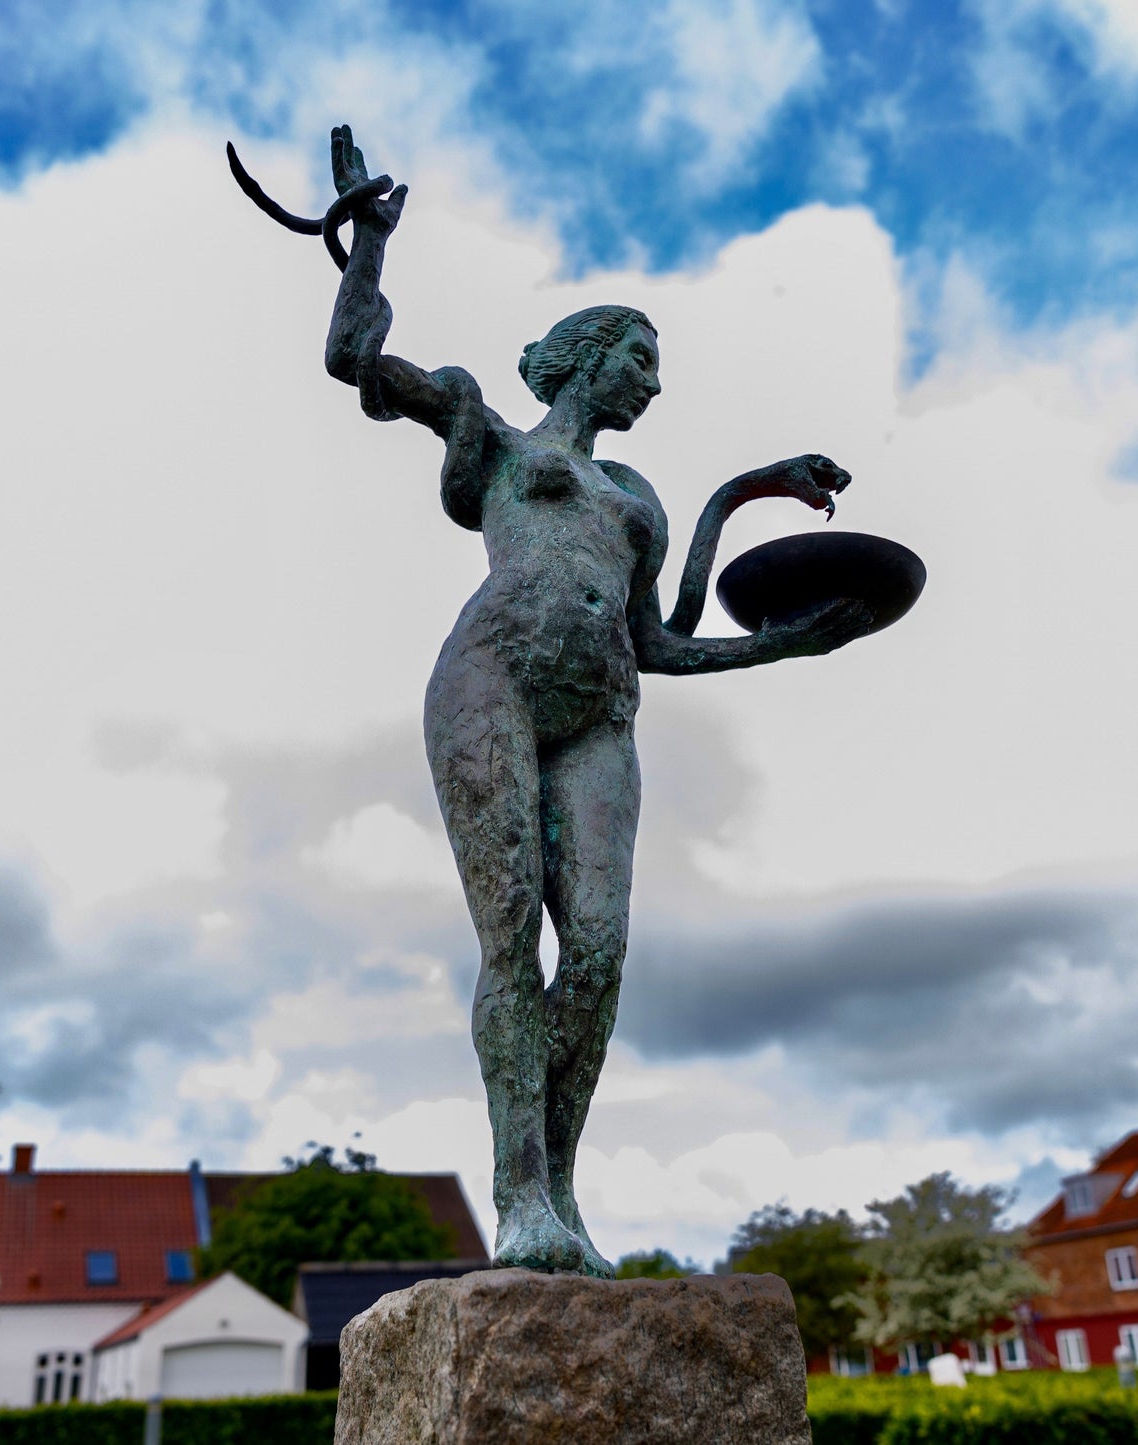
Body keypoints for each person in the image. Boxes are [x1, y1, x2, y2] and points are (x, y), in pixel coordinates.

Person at [321, 127, 872, 1275]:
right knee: (510, 931)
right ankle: (519, 1190)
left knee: (602, 950)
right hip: (492, 682)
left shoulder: (637, 498)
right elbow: (352, 361)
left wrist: (772, 591)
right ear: (585, 358)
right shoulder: (494, 436)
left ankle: (560, 1190)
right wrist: (367, 244)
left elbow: (658, 640)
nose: (653, 384)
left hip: (601, 716)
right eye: (638, 359)